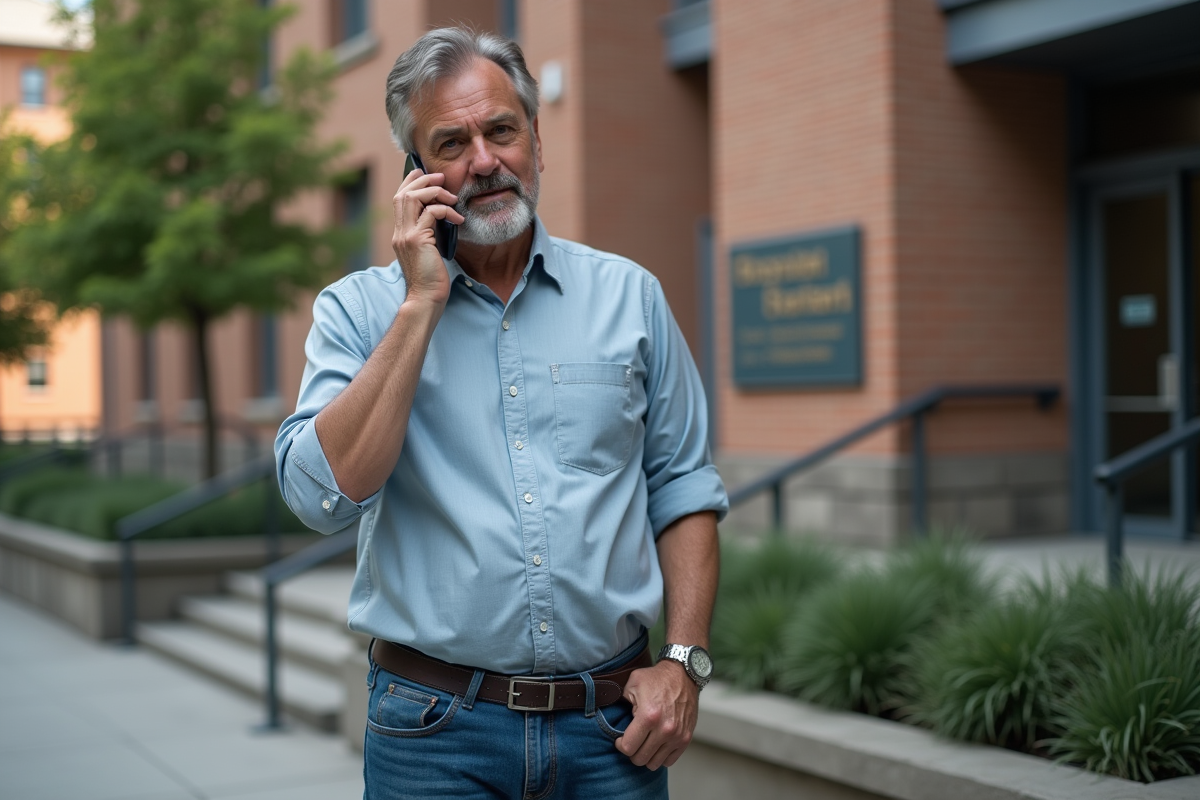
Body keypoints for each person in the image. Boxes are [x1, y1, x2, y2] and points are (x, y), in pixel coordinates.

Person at [275, 26, 727, 800]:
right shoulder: (356, 312)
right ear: (416, 172)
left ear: (537, 141)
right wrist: (420, 303)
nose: (483, 161)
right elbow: (322, 496)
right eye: (451, 143)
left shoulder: (631, 298)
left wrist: (683, 661)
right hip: (433, 738)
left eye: (501, 131)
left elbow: (681, 487)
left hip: (612, 734)